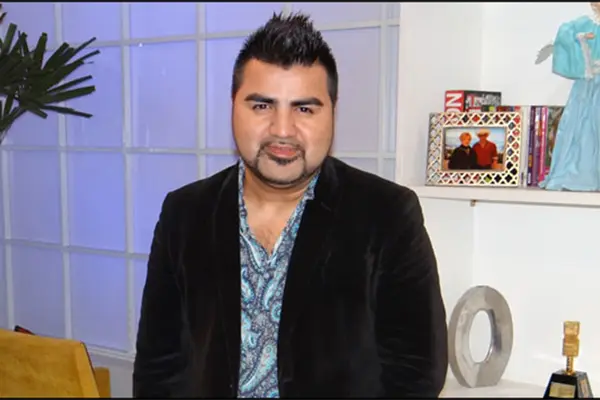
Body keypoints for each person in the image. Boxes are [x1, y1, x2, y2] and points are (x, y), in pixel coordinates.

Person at [133, 12, 448, 398]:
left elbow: (417, 374)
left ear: (332, 111)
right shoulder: (184, 213)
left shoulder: (387, 214)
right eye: (262, 106)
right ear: (233, 106)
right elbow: (158, 368)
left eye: (304, 108)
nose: (282, 130)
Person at [539, 2, 600, 191]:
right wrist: (559, 43)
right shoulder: (585, 23)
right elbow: (566, 33)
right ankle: (582, 173)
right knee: (582, 126)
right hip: (588, 83)